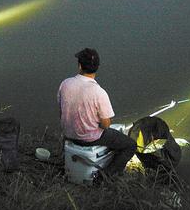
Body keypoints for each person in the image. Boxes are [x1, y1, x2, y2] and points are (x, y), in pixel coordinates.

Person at [58, 48, 136, 179]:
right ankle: (107, 176)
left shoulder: (65, 84)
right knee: (130, 145)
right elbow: (105, 125)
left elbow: (61, 112)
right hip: (89, 139)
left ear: (80, 66)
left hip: (68, 135)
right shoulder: (99, 92)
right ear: (97, 68)